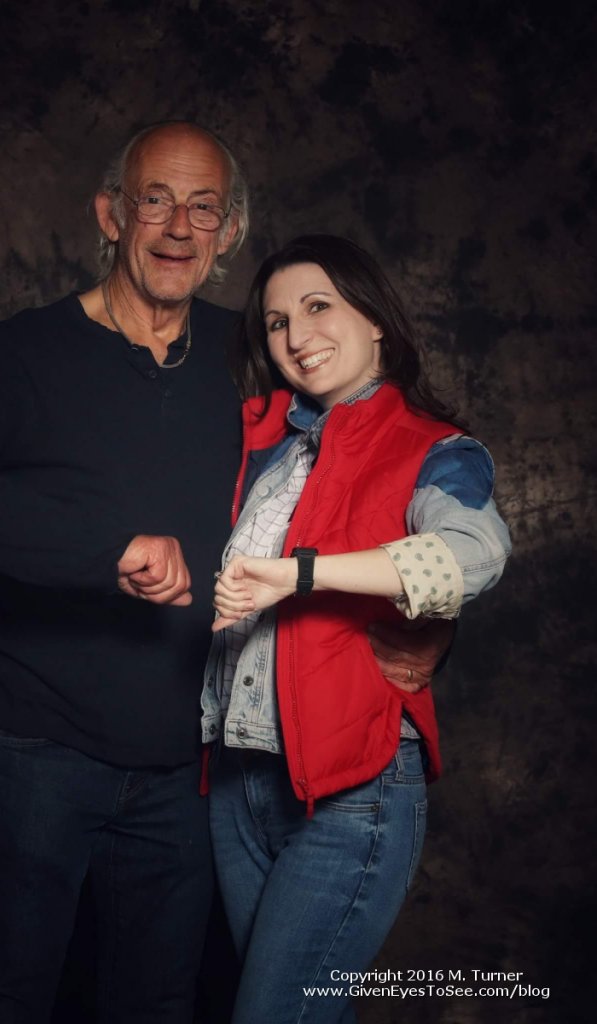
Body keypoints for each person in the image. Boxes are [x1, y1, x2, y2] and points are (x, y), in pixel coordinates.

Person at [0, 123, 453, 1024]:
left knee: (157, 1002)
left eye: (204, 208)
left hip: (191, 767)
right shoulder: (26, 351)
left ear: (229, 234)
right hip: (39, 742)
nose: (178, 227)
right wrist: (106, 551)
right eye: (156, 200)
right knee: (4, 995)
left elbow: (376, 467)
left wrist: (429, 620)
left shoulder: (254, 356)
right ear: (112, 213)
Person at [204, 234, 511, 1023]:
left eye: (317, 307)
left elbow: (472, 555)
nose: (297, 336)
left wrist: (304, 574)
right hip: (237, 779)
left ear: (373, 318)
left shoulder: (433, 450)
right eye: (275, 323)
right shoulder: (263, 448)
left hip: (352, 790)